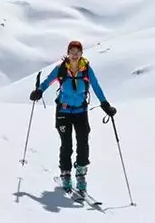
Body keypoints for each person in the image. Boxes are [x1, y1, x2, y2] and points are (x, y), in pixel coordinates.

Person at [29, 40, 116, 194]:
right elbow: (47, 81)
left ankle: (81, 175)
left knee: (83, 141)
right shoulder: (60, 69)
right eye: (72, 51)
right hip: (63, 111)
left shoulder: (87, 70)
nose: (75, 54)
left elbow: (96, 86)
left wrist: (105, 104)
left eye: (78, 52)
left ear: (82, 54)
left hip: (81, 111)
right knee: (66, 143)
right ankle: (66, 174)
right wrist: (39, 91)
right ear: (68, 53)